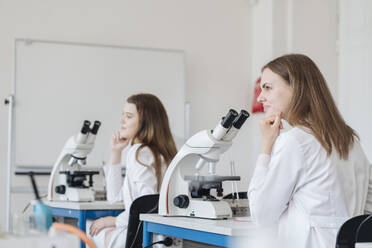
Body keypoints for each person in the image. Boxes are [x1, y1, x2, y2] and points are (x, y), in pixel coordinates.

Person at [248, 54, 372, 248]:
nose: (260, 97)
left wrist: (266, 146)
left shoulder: (295, 142)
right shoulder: (350, 140)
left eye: (268, 88)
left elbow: (261, 215)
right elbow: (367, 207)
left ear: (296, 88)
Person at [88, 93, 177, 248]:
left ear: (145, 122)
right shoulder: (165, 154)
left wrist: (112, 221)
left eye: (128, 116)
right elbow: (115, 198)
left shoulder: (138, 152)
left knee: (88, 229)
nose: (122, 121)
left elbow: (146, 205)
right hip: (159, 236)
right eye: (123, 115)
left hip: (143, 238)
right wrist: (116, 152)